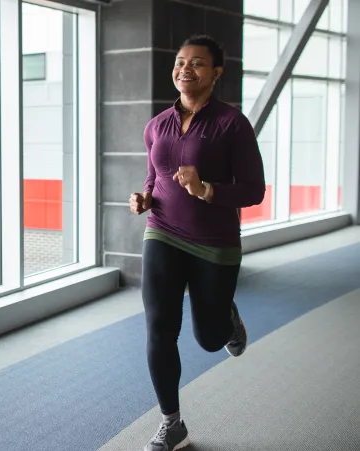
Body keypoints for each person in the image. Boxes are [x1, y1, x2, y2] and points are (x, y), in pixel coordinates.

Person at [129, 35, 266, 451]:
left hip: (214, 241)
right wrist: (145, 197)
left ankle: (225, 318)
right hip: (163, 231)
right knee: (159, 328)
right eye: (181, 62)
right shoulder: (157, 125)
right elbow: (156, 175)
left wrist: (207, 190)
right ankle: (172, 423)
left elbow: (254, 190)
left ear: (216, 73)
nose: (186, 69)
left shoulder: (232, 124)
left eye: (198, 63)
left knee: (208, 338)